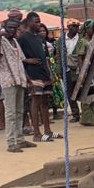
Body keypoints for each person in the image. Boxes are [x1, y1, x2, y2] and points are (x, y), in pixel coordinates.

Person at [0, 17, 36, 153]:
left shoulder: (15, 42)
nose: (12, 30)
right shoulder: (0, 41)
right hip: (8, 80)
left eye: (14, 28)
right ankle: (11, 142)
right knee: (11, 113)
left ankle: (20, 139)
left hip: (19, 79)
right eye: (9, 27)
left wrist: (28, 79)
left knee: (19, 111)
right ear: (4, 28)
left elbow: (20, 61)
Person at [18, 12, 58, 142]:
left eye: (39, 21)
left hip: (44, 73)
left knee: (45, 102)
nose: (39, 24)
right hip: (33, 74)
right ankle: (36, 133)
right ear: (29, 22)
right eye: (36, 21)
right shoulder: (23, 38)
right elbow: (17, 57)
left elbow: (45, 58)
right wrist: (27, 61)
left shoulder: (40, 38)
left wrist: (50, 73)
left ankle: (48, 131)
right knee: (35, 101)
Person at [62, 20, 82, 120]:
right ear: (68, 27)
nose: (76, 28)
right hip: (67, 70)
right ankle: (75, 114)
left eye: (77, 26)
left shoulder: (81, 39)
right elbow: (59, 55)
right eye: (74, 26)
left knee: (82, 90)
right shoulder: (62, 40)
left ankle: (86, 114)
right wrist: (60, 71)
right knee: (70, 93)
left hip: (79, 68)